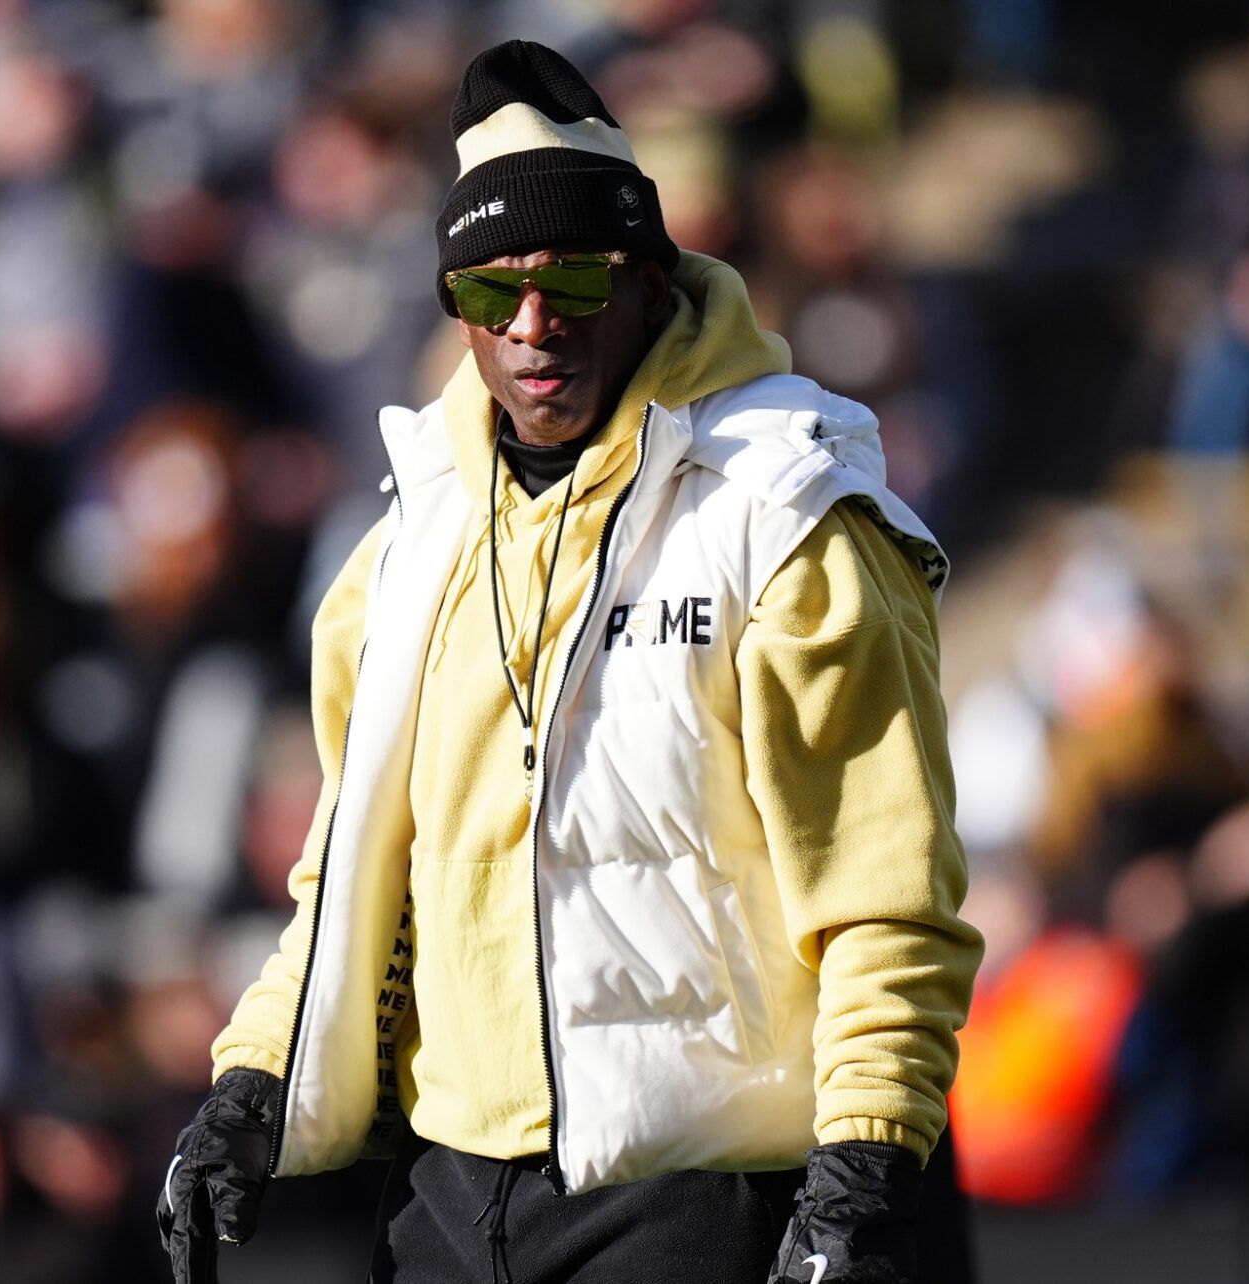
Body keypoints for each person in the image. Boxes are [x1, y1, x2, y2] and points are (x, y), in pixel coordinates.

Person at [157, 40, 983, 1284]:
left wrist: (867, 1161)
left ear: (654, 282)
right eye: (490, 295)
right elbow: (354, 880)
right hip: (442, 1197)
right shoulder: (400, 553)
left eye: (576, 284)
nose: (533, 327)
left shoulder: (791, 520)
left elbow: (886, 894)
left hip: (696, 1201)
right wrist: (252, 1077)